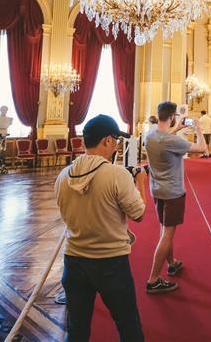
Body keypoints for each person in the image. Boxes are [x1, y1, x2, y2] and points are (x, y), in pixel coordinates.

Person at [54, 115, 146, 342]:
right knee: (128, 324)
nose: (117, 145)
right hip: (110, 262)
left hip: (73, 261)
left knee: (77, 329)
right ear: (107, 140)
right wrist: (141, 183)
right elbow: (139, 214)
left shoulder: (63, 176)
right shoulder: (117, 174)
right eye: (116, 140)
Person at [143, 101, 208, 294]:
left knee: (164, 229)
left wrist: (177, 128)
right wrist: (198, 128)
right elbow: (202, 148)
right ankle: (153, 279)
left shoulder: (150, 135)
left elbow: (164, 139)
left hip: (157, 190)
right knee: (167, 234)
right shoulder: (172, 141)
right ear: (172, 116)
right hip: (172, 193)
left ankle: (171, 263)